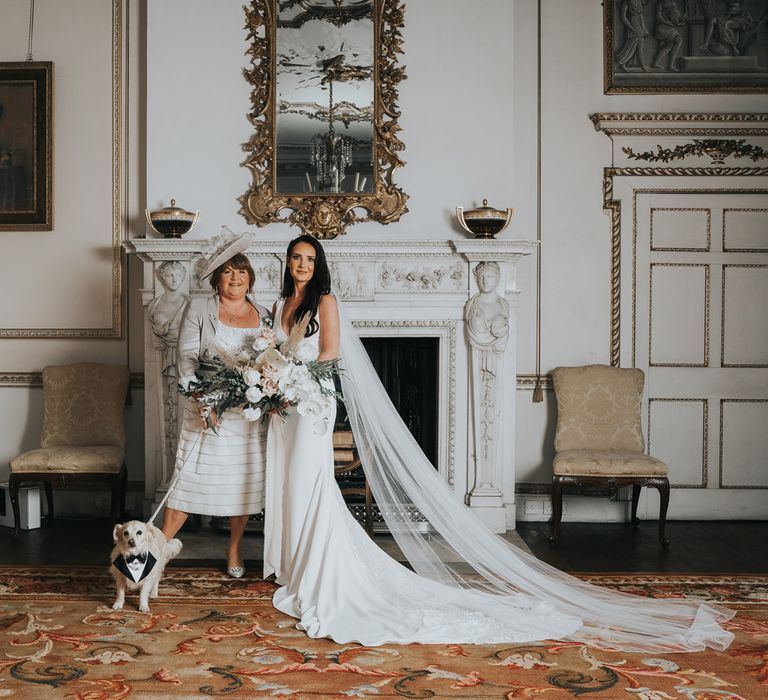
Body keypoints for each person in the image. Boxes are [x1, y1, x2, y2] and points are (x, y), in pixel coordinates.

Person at [263, 235, 735, 651]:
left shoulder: (324, 300)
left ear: (318, 263)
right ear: (287, 263)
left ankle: (322, 572)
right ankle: (300, 566)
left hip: (311, 407)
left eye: (309, 258)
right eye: (296, 257)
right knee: (296, 485)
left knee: (312, 484)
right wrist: (269, 378)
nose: (302, 264)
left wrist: (287, 378)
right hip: (285, 409)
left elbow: (328, 355)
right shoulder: (282, 302)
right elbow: (273, 348)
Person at [162, 231, 271, 579]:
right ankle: (161, 548)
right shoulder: (199, 308)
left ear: (250, 277)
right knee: (190, 479)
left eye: (241, 271)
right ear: (216, 278)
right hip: (206, 411)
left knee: (241, 483)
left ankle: (234, 548)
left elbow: (271, 362)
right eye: (227, 272)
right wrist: (203, 402)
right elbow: (187, 359)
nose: (235, 278)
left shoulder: (264, 314)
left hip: (247, 415)